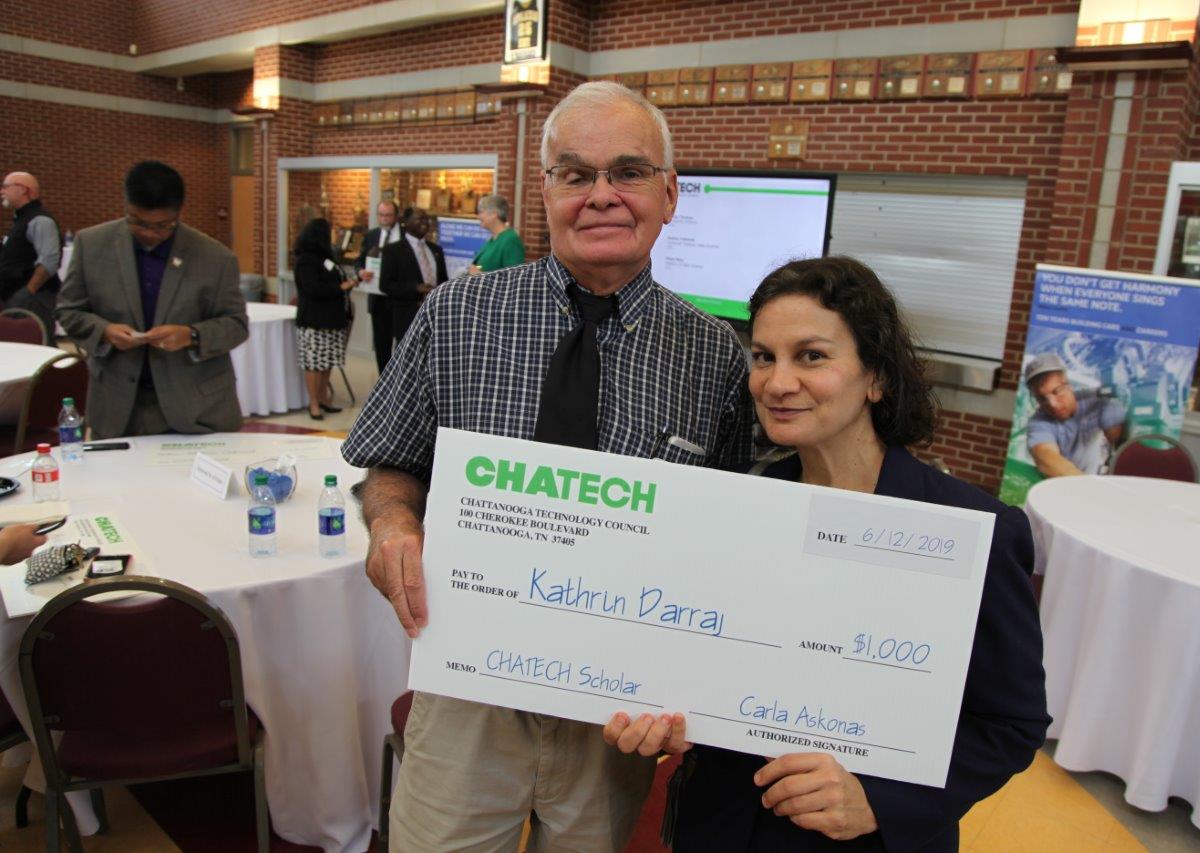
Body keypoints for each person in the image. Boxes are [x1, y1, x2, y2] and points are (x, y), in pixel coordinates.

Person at [341, 80, 754, 850]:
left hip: (618, 711)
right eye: (576, 173)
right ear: (546, 191)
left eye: (628, 172)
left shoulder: (716, 360)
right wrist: (393, 519)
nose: (602, 195)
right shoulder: (457, 313)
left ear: (669, 195)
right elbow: (389, 458)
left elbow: (729, 546)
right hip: (466, 688)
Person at [605, 256, 1049, 851]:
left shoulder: (971, 532)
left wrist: (880, 801)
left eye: (811, 356)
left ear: (877, 377)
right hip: (720, 825)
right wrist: (669, 721)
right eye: (763, 357)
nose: (777, 383)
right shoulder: (730, 512)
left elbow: (1009, 724)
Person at [56, 161, 248, 439]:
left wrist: (192, 335)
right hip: (117, 407)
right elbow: (69, 310)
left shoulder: (215, 258)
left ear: (179, 213)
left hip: (198, 410)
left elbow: (236, 325)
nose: (149, 233)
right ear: (127, 206)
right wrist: (105, 331)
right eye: (138, 222)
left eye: (163, 226)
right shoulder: (91, 245)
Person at [293, 218, 356, 420]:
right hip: (314, 320)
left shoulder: (327, 258)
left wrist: (349, 283)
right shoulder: (306, 260)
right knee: (314, 363)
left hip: (333, 319)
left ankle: (323, 398)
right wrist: (339, 288)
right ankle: (313, 403)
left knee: (327, 360)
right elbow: (311, 288)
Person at [1023, 353, 1125, 477]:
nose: (1053, 405)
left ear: (1069, 384)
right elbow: (1045, 457)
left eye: (1057, 391)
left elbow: (1122, 446)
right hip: (1058, 485)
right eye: (1042, 398)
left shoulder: (1097, 401)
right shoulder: (1038, 422)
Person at [376, 207, 446, 357]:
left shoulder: (436, 250)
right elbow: (385, 285)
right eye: (419, 219)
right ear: (405, 222)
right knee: (407, 363)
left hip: (434, 319)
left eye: (427, 219)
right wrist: (415, 288)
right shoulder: (393, 250)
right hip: (407, 319)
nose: (425, 223)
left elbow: (443, 281)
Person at [1, 171, 62, 340]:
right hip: (16, 295)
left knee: (37, 345)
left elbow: (49, 261)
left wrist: (29, 291)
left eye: (5, 186)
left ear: (22, 189)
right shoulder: (21, 220)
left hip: (34, 298)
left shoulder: (40, 220)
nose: (1, 191)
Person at [357, 200, 402, 372]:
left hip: (399, 300)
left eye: (388, 215)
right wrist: (361, 272)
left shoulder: (405, 236)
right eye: (381, 215)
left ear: (396, 216)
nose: (384, 219)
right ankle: (383, 382)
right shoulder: (372, 235)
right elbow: (360, 261)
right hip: (378, 299)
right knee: (381, 345)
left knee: (402, 344)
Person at [467, 193, 526, 274]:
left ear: (494, 214)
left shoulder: (510, 240)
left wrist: (479, 275)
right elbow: (482, 265)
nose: (478, 217)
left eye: (481, 212)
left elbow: (514, 277)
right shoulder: (493, 239)